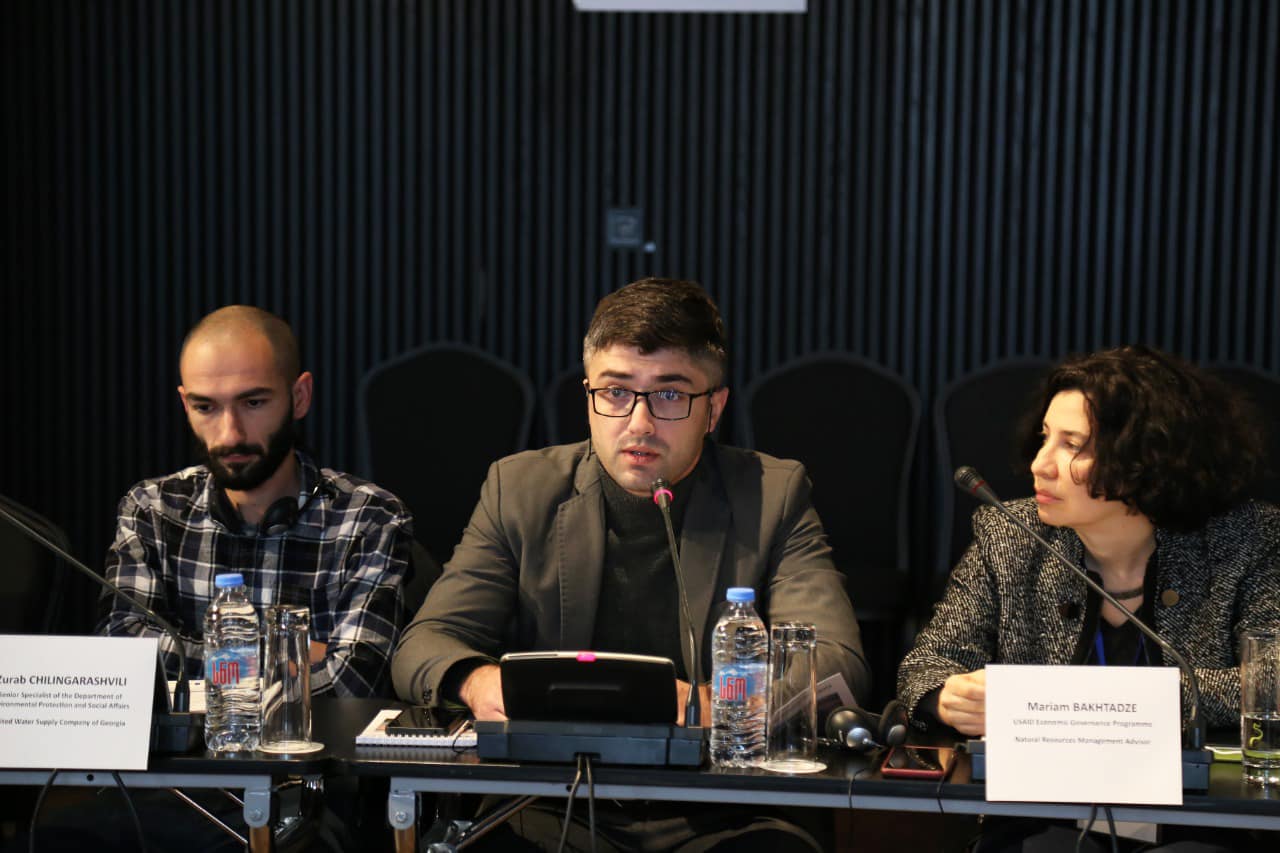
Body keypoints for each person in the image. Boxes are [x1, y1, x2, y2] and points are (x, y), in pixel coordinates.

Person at [393, 277, 868, 850]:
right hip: (552, 799)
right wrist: (476, 681)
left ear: (713, 409)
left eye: (669, 395)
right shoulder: (519, 489)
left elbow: (836, 666)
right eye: (616, 392)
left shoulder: (772, 495)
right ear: (588, 396)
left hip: (726, 803)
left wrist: (715, 705)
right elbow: (426, 642)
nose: (638, 423)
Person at [898, 345, 1280, 850]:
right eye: (1044, 438)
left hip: (1200, 817)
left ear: (1147, 458)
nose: (1040, 464)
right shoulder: (1009, 535)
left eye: (1072, 445)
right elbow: (927, 663)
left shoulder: (1246, 539)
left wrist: (1111, 708)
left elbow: (1270, 681)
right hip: (1043, 818)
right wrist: (946, 698)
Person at [100, 305, 414, 698]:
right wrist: (295, 650)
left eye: (253, 403)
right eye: (205, 407)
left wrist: (191, 655)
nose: (230, 434)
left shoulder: (368, 518)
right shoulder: (151, 509)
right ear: (185, 406)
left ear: (299, 397)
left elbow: (351, 683)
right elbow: (123, 659)